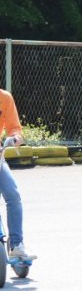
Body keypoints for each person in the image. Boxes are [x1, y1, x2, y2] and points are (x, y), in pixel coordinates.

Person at [0, 88, 33, 260]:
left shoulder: (4, 98)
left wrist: (15, 138)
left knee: (13, 195)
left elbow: (14, 128)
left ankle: (17, 245)